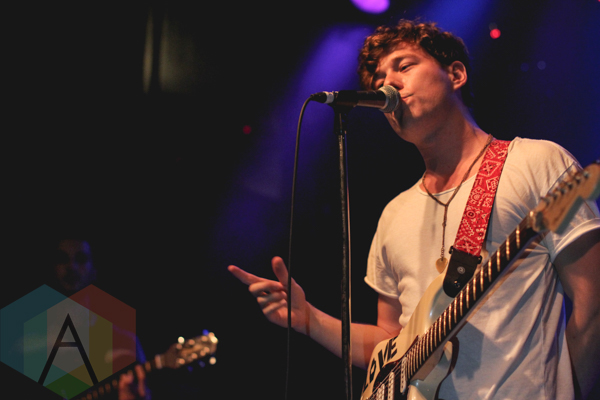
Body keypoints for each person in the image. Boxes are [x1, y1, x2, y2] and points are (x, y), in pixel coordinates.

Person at [228, 20, 600, 399]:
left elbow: (593, 305)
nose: (388, 84)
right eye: (379, 80)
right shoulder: (394, 214)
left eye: (404, 66)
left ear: (455, 74)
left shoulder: (535, 163)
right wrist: (309, 319)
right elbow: (391, 345)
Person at [51, 239, 151, 400]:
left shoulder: (124, 342)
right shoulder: (29, 339)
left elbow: (144, 391)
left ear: (94, 269)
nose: (72, 267)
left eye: (81, 259)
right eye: (62, 259)